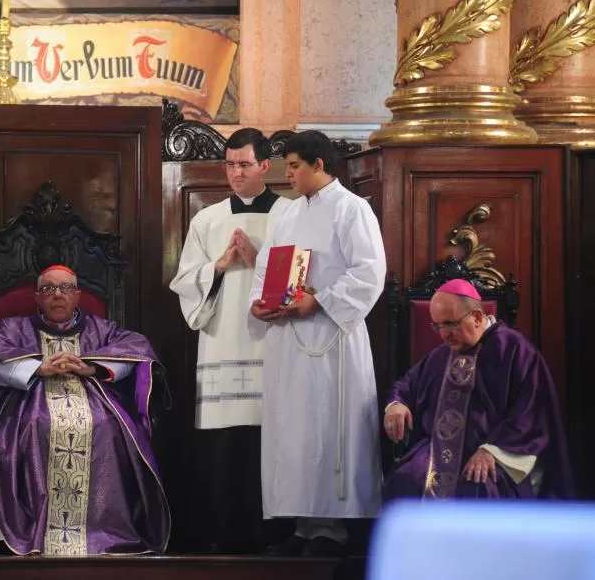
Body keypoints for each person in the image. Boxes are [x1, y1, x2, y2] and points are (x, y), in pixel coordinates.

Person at [0, 265, 170, 555]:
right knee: (35, 426)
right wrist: (37, 368)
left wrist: (91, 367)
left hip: (92, 398)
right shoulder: (15, 328)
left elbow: (136, 350)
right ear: (37, 297)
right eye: (48, 289)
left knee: (108, 428)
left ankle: (104, 531)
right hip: (32, 401)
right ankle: (36, 530)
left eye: (65, 289)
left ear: (77, 296)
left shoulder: (102, 329)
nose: (57, 295)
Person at [249, 130, 385, 556]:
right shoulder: (287, 214)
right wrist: (260, 304)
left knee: (327, 428)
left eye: (293, 167)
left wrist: (320, 301)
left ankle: (332, 527)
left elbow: (369, 273)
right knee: (292, 430)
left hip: (331, 339)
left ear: (319, 165)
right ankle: (302, 524)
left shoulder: (352, 210)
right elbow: (267, 267)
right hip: (288, 340)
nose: (286, 175)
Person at [169, 128, 290, 553]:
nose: (235, 173)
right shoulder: (207, 219)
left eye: (244, 164)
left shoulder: (289, 215)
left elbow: (299, 284)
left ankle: (270, 538)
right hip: (222, 342)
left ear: (264, 165)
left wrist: (257, 260)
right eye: (229, 164)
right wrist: (218, 266)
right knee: (222, 451)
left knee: (267, 444)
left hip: (275, 345)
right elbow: (185, 282)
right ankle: (220, 541)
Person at [382, 279, 574, 500]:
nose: (443, 334)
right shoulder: (447, 351)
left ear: (477, 317)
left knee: (478, 487)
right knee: (405, 480)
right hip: (438, 448)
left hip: (494, 451)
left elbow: (532, 413)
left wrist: (492, 451)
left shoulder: (514, 349)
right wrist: (397, 404)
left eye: (450, 324)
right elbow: (408, 383)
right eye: (437, 326)